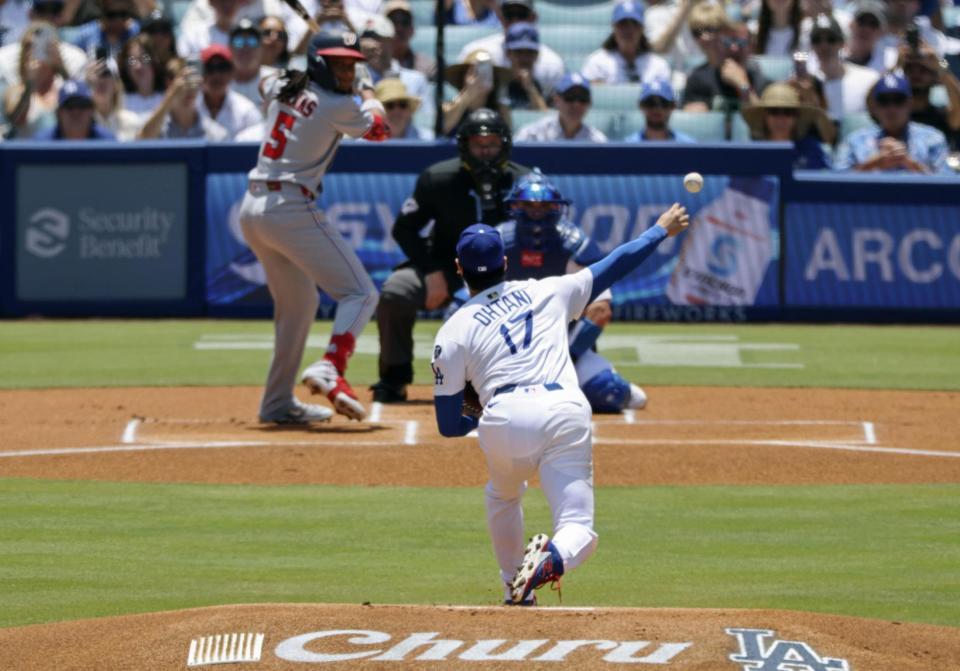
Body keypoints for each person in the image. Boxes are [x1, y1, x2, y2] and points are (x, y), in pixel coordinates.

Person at [430, 207, 689, 605]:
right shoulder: (547, 290)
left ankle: (513, 584)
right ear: (505, 262)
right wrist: (659, 230)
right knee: (578, 526)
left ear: (459, 269)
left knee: (502, 495)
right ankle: (549, 560)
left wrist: (478, 418)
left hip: (503, 415)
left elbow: (448, 425)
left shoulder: (452, 331)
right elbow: (617, 263)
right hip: (564, 409)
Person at [239, 31, 389, 425]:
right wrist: (369, 92)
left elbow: (264, 81)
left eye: (351, 64)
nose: (347, 71)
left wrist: (313, 73)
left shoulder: (282, 84)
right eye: (339, 64)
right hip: (288, 207)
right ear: (320, 63)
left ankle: (276, 403)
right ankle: (331, 366)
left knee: (300, 304)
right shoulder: (337, 104)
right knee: (361, 293)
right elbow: (379, 130)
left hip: (254, 208)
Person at [372, 108, 529, 403]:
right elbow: (404, 229)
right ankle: (394, 377)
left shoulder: (524, 182)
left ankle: (549, 374)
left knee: (555, 291)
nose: (485, 152)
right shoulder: (438, 178)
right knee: (396, 291)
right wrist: (431, 272)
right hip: (448, 269)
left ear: (505, 145)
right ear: (464, 146)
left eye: (492, 144)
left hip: (508, 274)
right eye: (478, 144)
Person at [495, 171, 650, 414]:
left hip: (562, 345)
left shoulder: (575, 244)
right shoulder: (497, 242)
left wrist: (566, 358)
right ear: (514, 206)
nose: (536, 212)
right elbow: (471, 300)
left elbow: (600, 310)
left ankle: (569, 387)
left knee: (613, 392)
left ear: (557, 207)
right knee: (476, 393)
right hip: (507, 346)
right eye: (528, 205)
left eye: (544, 206)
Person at [834, 70, 951, 173]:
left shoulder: (932, 138)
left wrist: (908, 162)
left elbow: (947, 183)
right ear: (875, 106)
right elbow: (836, 182)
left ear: (910, 104)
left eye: (898, 100)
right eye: (884, 101)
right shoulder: (855, 140)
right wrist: (874, 163)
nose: (891, 108)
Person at [457, 0, 565, 96]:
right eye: (509, 14)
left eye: (521, 14)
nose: (515, 21)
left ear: (533, 17)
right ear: (500, 17)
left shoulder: (552, 63)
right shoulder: (476, 52)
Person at [804, 13, 878, 122]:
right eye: (817, 40)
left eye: (831, 39)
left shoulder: (869, 79)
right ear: (811, 45)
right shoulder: (808, 84)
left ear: (842, 43)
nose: (824, 45)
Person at [682, 18, 768, 112]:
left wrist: (743, 85)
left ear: (751, 47)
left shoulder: (760, 80)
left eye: (741, 42)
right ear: (717, 45)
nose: (734, 48)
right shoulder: (699, 79)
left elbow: (761, 118)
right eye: (727, 42)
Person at [742, 81, 833, 167]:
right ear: (764, 116)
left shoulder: (811, 150)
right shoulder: (751, 153)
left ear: (796, 117)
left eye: (787, 112)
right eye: (774, 111)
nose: (781, 119)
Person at [580, 0, 672, 85]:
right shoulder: (597, 63)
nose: (628, 30)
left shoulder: (658, 66)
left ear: (642, 29)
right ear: (613, 27)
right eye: (622, 24)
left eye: (634, 24)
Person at [137, 56, 229, 139]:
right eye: (184, 82)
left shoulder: (215, 134)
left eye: (193, 81)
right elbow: (140, 142)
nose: (189, 89)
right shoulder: (152, 123)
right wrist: (170, 97)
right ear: (169, 84)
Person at [0, 0, 87, 86]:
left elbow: (77, 93)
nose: (47, 17)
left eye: (54, 11)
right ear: (31, 14)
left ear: (61, 17)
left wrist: (61, 69)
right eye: (41, 10)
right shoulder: (3, 58)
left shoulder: (76, 58)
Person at [2, 20, 64, 138]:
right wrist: (31, 84)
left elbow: (84, 109)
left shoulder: (65, 86)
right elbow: (17, 120)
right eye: (28, 46)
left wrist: (61, 67)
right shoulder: (16, 91)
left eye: (41, 45)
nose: (33, 52)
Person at [514, 72, 607, 142]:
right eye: (570, 97)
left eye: (582, 98)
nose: (576, 104)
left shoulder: (597, 141)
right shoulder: (533, 134)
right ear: (556, 100)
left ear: (589, 103)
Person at [196, 43, 262, 139]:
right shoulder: (189, 108)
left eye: (223, 68)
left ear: (232, 72)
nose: (216, 75)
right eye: (210, 68)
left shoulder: (246, 111)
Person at [900, 43, 960, 149]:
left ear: (935, 78)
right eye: (910, 69)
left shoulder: (942, 116)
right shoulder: (891, 111)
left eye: (923, 70)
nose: (916, 74)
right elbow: (872, 103)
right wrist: (897, 64)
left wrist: (939, 62)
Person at [441, 48, 511, 135]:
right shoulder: (448, 106)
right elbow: (443, 128)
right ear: (463, 77)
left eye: (486, 72)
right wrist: (468, 93)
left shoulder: (501, 110)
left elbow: (507, 134)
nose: (480, 77)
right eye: (474, 72)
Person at [33, 77, 116, 138]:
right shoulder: (41, 145)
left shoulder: (107, 143)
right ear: (59, 113)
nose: (76, 112)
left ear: (92, 111)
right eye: (69, 106)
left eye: (82, 105)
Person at [86, 54, 140, 139]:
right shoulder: (81, 124)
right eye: (96, 74)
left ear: (116, 84)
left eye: (106, 74)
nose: (101, 81)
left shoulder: (132, 122)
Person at [624, 78, 696, 142]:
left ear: (673, 106)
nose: (656, 109)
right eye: (650, 103)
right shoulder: (628, 146)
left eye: (663, 103)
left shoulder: (688, 147)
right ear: (641, 106)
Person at [66, 0, 139, 60]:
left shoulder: (135, 31)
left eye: (123, 14)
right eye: (112, 15)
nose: (118, 20)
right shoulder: (85, 34)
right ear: (101, 14)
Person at [229, 18, 276, 106]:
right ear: (229, 48)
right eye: (238, 42)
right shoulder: (219, 83)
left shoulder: (275, 80)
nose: (245, 47)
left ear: (262, 48)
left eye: (252, 41)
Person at [503, 21, 547, 111]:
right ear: (508, 53)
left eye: (529, 52)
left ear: (536, 55)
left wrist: (530, 88)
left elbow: (543, 115)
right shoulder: (499, 83)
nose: (524, 58)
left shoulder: (541, 83)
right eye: (518, 52)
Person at [117, 33, 164, 118]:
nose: (138, 66)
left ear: (154, 61)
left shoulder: (168, 98)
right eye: (131, 61)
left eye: (145, 58)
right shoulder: (119, 102)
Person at [384, 0, 434, 79]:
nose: (399, 28)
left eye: (405, 22)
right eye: (393, 22)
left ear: (412, 29)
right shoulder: (373, 66)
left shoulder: (427, 68)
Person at [845, 0, 894, 72]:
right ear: (851, 25)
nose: (866, 29)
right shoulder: (833, 52)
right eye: (862, 21)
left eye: (873, 24)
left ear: (882, 32)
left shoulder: (890, 64)